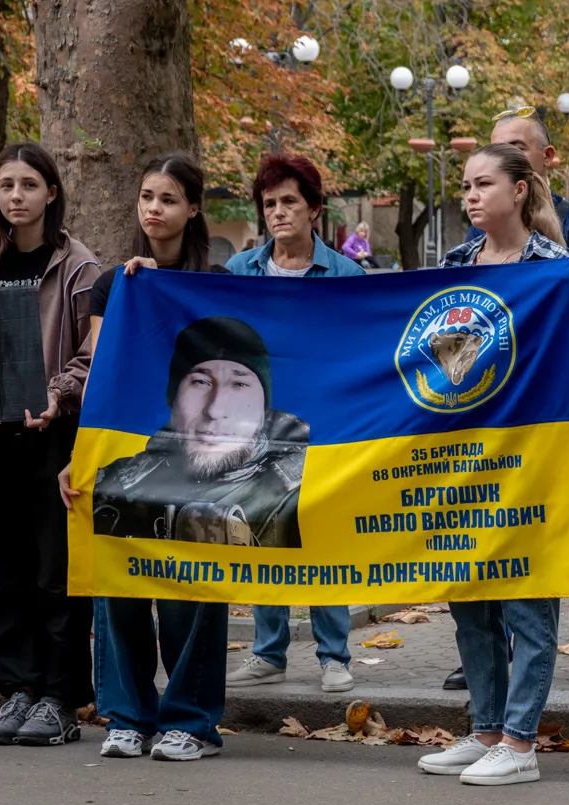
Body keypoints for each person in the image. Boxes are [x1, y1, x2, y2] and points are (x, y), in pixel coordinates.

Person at [416, 142, 569, 786]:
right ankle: (485, 730)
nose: (469, 195)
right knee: (472, 598)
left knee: (527, 598)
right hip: (464, 454)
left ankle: (521, 743)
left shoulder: (554, 266)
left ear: (519, 190)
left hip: (530, 454)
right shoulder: (456, 263)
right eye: (465, 186)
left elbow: (560, 348)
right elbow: (438, 358)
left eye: (482, 184)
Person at [444, 108, 569, 695]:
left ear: (541, 163)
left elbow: (568, 315)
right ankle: (489, 655)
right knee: (488, 533)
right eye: (496, 151)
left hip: (553, 404)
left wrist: (556, 283)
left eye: (517, 150)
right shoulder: (462, 255)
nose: (506, 158)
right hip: (486, 413)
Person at [55, 155, 232, 761]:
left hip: (201, 458)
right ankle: (126, 716)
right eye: (146, 197)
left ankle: (192, 722)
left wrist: (170, 294)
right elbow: (106, 373)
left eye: (168, 199)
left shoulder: (219, 279)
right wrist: (79, 458)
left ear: (193, 209)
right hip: (127, 454)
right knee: (120, 587)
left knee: (193, 591)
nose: (153, 209)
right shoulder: (114, 283)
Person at [0, 143, 100, 746]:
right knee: (0, 572)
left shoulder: (79, 268)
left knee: (55, 573)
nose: (15, 196)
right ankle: (17, 691)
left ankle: (59, 698)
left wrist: (57, 394)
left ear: (51, 191)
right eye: (5, 186)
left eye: (28, 184)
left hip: (57, 438)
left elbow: (92, 355)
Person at [224, 153, 362, 694]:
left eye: (289, 202)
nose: (278, 212)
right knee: (264, 530)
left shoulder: (347, 274)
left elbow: (362, 345)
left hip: (327, 423)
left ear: (314, 210)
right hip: (260, 429)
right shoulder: (241, 271)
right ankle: (268, 652)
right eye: (270, 204)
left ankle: (334, 656)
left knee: (324, 534)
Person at [90, 317, 306, 547]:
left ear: (264, 410)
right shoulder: (118, 483)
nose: (215, 409)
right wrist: (82, 464)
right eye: (201, 382)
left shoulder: (312, 485)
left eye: (239, 384)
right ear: (173, 400)